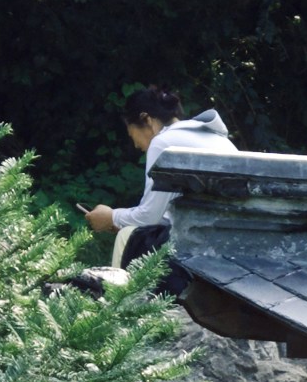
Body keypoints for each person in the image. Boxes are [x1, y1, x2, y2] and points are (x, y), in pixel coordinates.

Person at [83, 86, 227, 264]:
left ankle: (119, 293)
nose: (136, 145)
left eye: (132, 134)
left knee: (127, 236)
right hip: (226, 235)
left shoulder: (162, 142)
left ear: (147, 120)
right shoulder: (213, 136)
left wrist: (111, 216)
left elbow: (151, 216)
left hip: (199, 242)